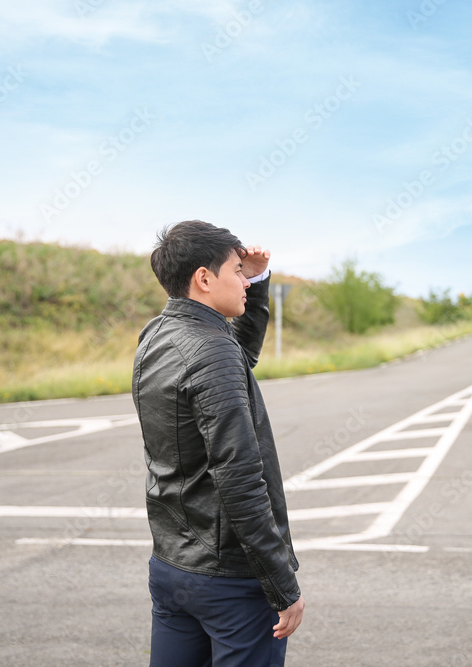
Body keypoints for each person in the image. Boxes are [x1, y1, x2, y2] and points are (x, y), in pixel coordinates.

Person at [132, 220, 304, 666]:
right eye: (237, 271)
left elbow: (236, 360)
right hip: (230, 578)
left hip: (172, 565)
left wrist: (260, 281)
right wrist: (281, 585)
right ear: (204, 279)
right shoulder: (211, 350)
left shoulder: (156, 334)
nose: (244, 280)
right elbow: (241, 479)